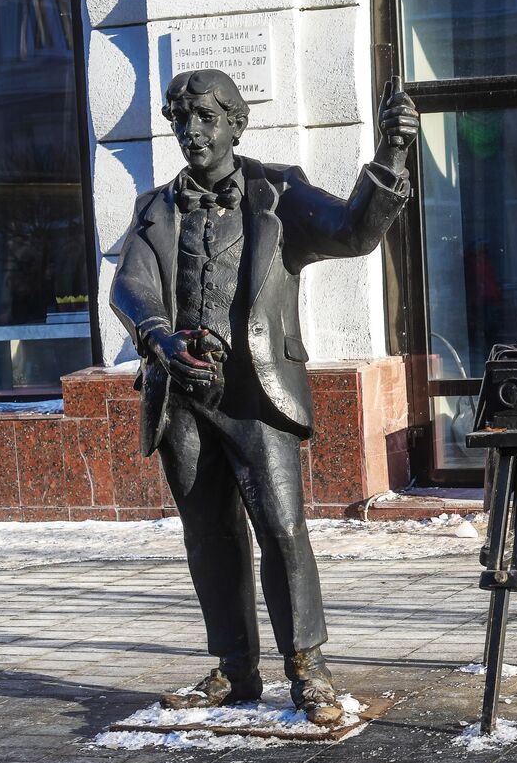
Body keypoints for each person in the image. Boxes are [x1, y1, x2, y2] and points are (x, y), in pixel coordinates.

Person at [110, 69, 419, 725]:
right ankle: (233, 667)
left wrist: (390, 156)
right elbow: (129, 286)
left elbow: (354, 231)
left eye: (205, 118)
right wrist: (161, 341)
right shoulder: (155, 206)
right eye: (181, 119)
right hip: (182, 395)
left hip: (257, 394)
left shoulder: (278, 191)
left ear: (235, 124)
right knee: (209, 538)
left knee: (282, 530)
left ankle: (307, 665)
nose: (192, 131)